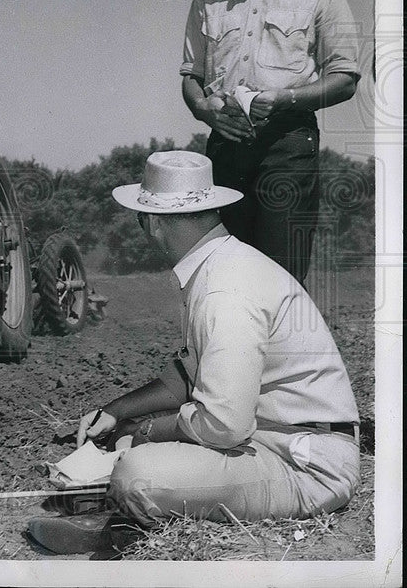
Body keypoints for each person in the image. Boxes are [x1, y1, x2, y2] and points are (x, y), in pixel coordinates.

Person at [26, 151, 360, 555]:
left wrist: (146, 432)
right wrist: (118, 410)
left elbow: (224, 425)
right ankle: (123, 512)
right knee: (138, 450)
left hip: (306, 466)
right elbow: (185, 377)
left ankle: (118, 526)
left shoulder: (225, 289)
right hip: (277, 439)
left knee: (139, 474)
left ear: (149, 221)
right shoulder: (220, 266)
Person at [180, 0, 361, 283]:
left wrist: (282, 99)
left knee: (280, 276)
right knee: (223, 272)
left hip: (289, 143)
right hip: (225, 145)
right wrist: (207, 110)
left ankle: (283, 351)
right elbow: (190, 76)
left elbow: (346, 78)